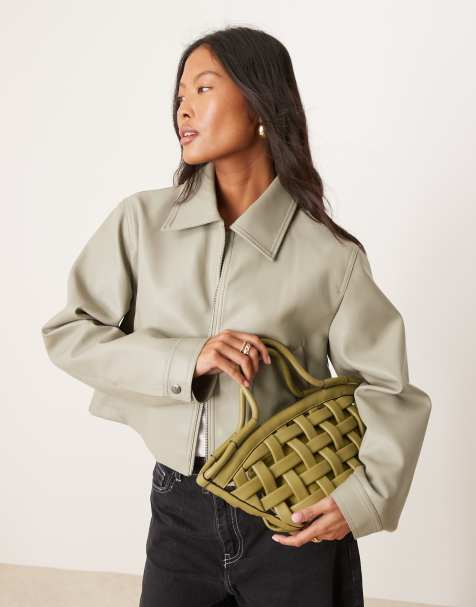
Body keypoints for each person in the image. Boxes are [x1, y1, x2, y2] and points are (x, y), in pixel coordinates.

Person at [41, 26, 432, 607]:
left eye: (203, 88)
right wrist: (186, 358)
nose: (183, 109)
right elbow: (70, 333)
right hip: (178, 509)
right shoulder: (141, 223)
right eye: (179, 96)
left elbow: (387, 387)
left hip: (291, 508)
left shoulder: (330, 255)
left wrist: (363, 499)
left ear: (260, 105)